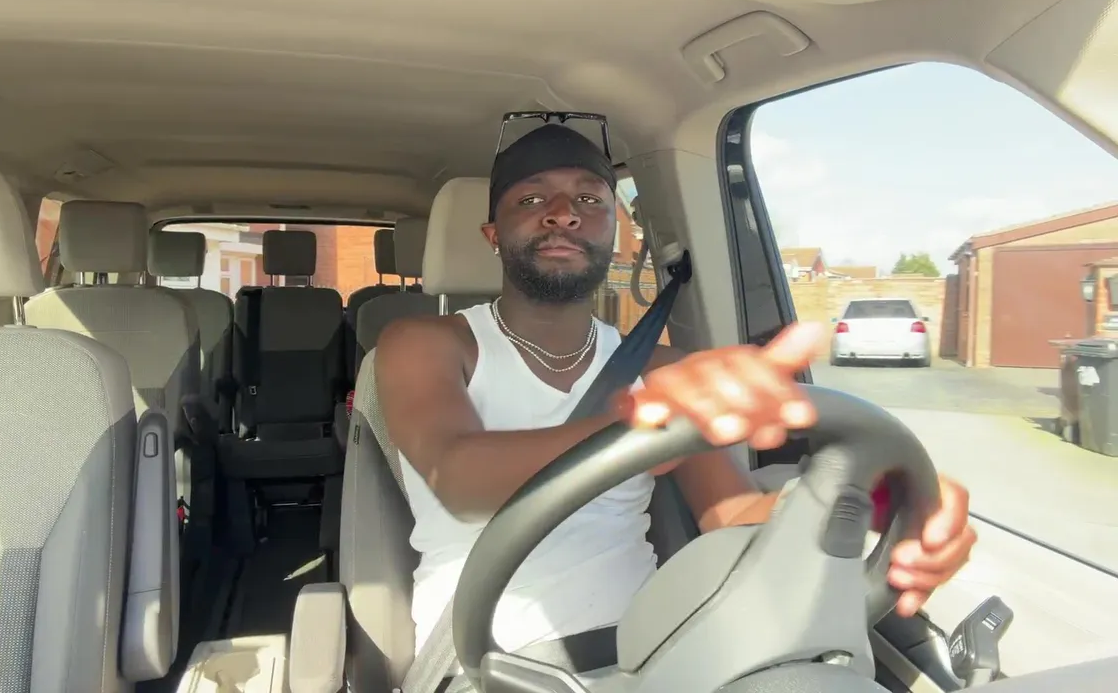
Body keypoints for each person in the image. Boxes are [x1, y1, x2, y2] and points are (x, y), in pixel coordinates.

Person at [376, 124, 976, 659]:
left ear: (614, 231)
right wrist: (650, 424)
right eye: (531, 200)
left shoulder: (664, 370)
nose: (563, 214)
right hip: (480, 657)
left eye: (590, 199)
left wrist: (866, 500)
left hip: (650, 652)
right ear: (492, 234)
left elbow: (733, 517)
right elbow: (458, 479)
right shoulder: (425, 343)